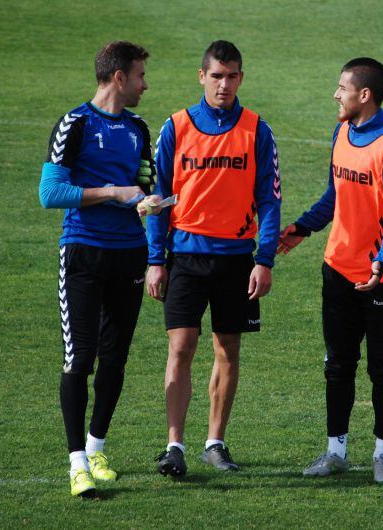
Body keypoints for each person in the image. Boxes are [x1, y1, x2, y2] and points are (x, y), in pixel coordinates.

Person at [277, 57, 383, 484]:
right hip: (338, 268)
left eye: (342, 87)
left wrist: (382, 261)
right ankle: (335, 451)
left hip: (381, 277)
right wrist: (302, 227)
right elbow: (334, 196)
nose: (335, 94)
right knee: (337, 363)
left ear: (365, 95)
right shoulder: (341, 132)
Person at [146, 40, 281, 477]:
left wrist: (265, 259)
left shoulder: (257, 130)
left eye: (232, 76)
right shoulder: (176, 126)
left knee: (228, 349)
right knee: (181, 347)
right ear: (201, 76)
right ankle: (174, 445)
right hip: (185, 256)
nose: (224, 84)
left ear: (241, 78)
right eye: (217, 76)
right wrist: (155, 259)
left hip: (237, 261)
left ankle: (215, 442)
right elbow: (157, 199)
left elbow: (271, 200)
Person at [38, 41, 159, 497]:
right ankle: (76, 465)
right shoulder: (76, 123)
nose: (146, 84)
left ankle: (96, 449)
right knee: (80, 357)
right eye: (141, 75)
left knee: (115, 358)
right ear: (119, 77)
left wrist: (149, 201)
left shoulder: (138, 128)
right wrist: (110, 192)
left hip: (130, 253)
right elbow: (51, 194)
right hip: (84, 254)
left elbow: (143, 186)